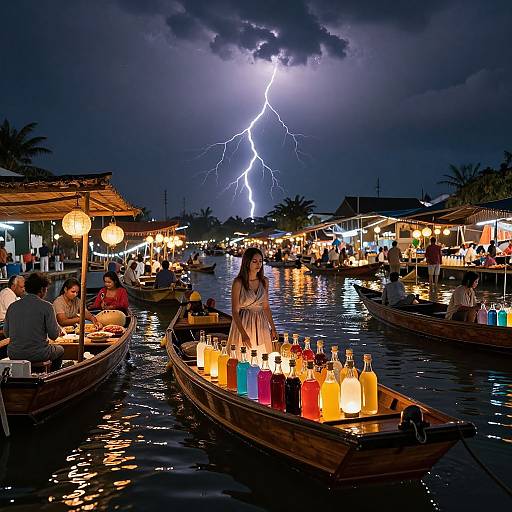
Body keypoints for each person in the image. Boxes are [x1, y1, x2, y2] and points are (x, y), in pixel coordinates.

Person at [4, 273, 64, 371]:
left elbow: (7, 333)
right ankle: (52, 377)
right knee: (60, 349)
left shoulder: (12, 306)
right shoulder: (47, 306)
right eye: (46, 289)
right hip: (38, 354)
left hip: (14, 353)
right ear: (42, 290)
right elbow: (54, 335)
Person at [227, 247, 277, 354]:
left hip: (261, 322)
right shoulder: (238, 283)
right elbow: (235, 311)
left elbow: (266, 307)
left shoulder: (264, 281)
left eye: (260, 261)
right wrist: (243, 334)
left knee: (262, 354)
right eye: (254, 261)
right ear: (247, 262)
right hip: (244, 322)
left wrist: (273, 328)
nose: (258, 264)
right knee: (244, 355)